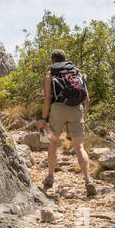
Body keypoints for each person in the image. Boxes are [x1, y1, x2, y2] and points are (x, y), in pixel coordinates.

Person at [40, 49, 94, 196]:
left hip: (57, 108)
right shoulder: (77, 72)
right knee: (79, 146)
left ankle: (50, 176)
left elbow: (47, 98)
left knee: (53, 143)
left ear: (53, 61)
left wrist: (43, 119)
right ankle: (88, 179)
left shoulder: (50, 74)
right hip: (76, 108)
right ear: (66, 59)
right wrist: (84, 113)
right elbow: (87, 99)